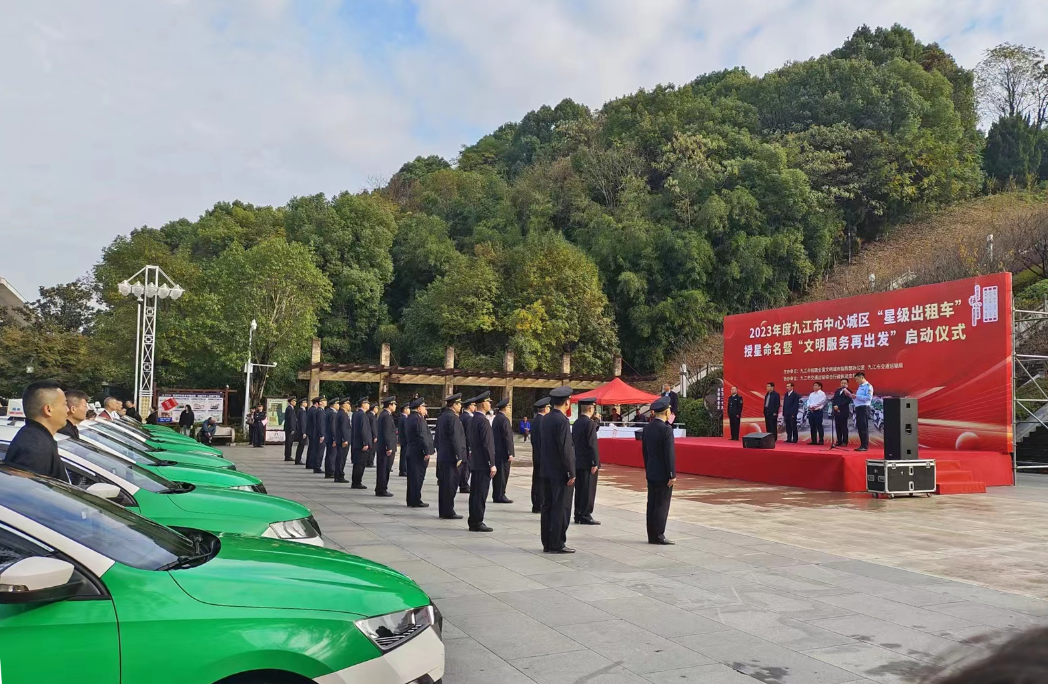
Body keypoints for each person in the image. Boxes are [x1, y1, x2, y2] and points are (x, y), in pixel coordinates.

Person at [4, 380, 69, 481]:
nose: (67, 410)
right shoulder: (35, 449)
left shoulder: (37, 437)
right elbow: (30, 493)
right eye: (64, 404)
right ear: (48, 409)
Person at [540, 386, 576, 554]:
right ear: (567, 402)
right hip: (560, 472)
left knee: (547, 506)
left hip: (546, 469)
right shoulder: (562, 421)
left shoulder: (545, 419)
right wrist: (570, 472)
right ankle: (557, 543)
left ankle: (547, 542)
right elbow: (565, 449)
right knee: (561, 507)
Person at [642, 396, 676, 545]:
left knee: (652, 504)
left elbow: (645, 452)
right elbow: (669, 453)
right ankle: (659, 535)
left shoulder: (647, 428)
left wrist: (648, 468)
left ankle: (652, 534)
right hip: (663, 473)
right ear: (666, 411)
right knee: (662, 504)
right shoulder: (666, 429)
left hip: (651, 471)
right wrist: (671, 474)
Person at [467, 391, 497, 531]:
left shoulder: (474, 419)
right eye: (488, 402)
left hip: (476, 461)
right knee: (480, 494)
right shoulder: (483, 421)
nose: (490, 404)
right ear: (482, 404)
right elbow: (487, 445)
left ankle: (473, 520)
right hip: (483, 463)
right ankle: (477, 521)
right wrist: (492, 464)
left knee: (475, 493)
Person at [435, 393, 466, 519]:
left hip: (443, 455)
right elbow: (455, 438)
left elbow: (437, 438)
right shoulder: (453, 418)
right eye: (459, 404)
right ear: (454, 405)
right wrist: (458, 455)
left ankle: (443, 510)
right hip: (451, 457)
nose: (461, 406)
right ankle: (448, 511)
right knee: (450, 485)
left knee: (444, 485)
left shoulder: (442, 417)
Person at [572, 397, 601, 525]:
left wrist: (596, 421)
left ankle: (578, 513)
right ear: (591, 408)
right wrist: (595, 462)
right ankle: (586, 514)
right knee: (588, 489)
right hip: (588, 462)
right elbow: (592, 444)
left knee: (580, 489)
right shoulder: (589, 423)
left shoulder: (578, 422)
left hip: (578, 460)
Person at [403, 398, 434, 507]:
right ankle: (416, 500)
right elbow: (422, 437)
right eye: (424, 407)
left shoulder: (409, 418)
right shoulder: (419, 420)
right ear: (419, 408)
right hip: (418, 452)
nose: (425, 409)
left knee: (412, 477)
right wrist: (426, 451)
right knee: (418, 477)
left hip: (411, 450)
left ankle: (411, 499)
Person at [492, 398, 514, 504]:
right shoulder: (504, 420)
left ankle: (497, 494)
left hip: (497, 450)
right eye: (509, 407)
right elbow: (507, 437)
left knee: (499, 475)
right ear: (505, 408)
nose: (510, 409)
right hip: (503, 452)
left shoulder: (497, 418)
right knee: (503, 474)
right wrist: (510, 452)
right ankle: (500, 494)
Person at [530, 397, 550, 513]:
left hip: (537, 455)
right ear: (545, 408)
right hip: (542, 457)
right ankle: (539, 504)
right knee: (541, 482)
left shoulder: (536, 420)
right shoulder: (543, 421)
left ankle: (536, 503)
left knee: (536, 480)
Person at [375, 397, 397, 497]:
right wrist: (389, 447)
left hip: (382, 446)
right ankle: (382, 489)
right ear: (390, 405)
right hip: (385, 447)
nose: (395, 406)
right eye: (394, 404)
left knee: (383, 469)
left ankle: (380, 488)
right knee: (384, 469)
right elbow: (387, 433)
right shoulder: (386, 416)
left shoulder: (384, 415)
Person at [846, 372, 874, 452]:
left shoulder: (868, 386)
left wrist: (856, 396)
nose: (856, 381)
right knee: (860, 427)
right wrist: (852, 396)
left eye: (857, 379)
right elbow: (858, 398)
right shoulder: (860, 387)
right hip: (858, 408)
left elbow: (868, 398)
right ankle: (862, 444)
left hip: (864, 408)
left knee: (863, 427)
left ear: (861, 377)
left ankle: (865, 445)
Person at [350, 397, 373, 489]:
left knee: (357, 463)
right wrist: (365, 442)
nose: (369, 405)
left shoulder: (356, 414)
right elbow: (363, 430)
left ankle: (355, 481)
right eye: (367, 403)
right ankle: (357, 482)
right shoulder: (362, 415)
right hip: (361, 444)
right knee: (360, 464)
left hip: (357, 443)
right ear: (363, 404)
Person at [458, 396, 476, 494]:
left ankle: (462, 483)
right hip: (466, 445)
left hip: (462, 445)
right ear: (469, 406)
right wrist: (470, 448)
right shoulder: (468, 418)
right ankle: (464, 485)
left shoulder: (461, 416)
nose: (475, 407)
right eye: (473, 405)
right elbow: (469, 434)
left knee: (463, 465)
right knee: (466, 467)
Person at [332, 399, 351, 484]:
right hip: (342, 440)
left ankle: (337, 475)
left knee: (340, 458)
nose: (349, 405)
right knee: (341, 458)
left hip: (339, 439)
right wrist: (345, 439)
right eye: (348, 404)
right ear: (344, 405)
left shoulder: (340, 413)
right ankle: (339, 475)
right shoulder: (343, 414)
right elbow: (343, 428)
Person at [309, 396, 329, 474]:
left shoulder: (320, 410)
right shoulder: (320, 411)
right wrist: (322, 434)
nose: (326, 402)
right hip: (319, 434)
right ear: (320, 402)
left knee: (318, 450)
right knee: (319, 451)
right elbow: (320, 424)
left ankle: (316, 466)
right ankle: (317, 467)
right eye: (324, 401)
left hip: (318, 434)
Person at [832, 379, 851, 446]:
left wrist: (839, 407)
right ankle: (839, 441)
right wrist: (834, 407)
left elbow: (847, 401)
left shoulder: (849, 392)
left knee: (844, 427)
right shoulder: (837, 391)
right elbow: (834, 400)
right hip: (836, 411)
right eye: (842, 383)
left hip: (843, 411)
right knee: (838, 427)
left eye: (844, 383)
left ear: (847, 384)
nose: (843, 384)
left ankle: (844, 442)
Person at [323, 397, 338, 477]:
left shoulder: (328, 411)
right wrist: (335, 438)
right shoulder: (333, 413)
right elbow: (333, 427)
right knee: (332, 455)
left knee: (329, 454)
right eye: (337, 403)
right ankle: (331, 471)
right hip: (331, 437)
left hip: (328, 436)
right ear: (334, 405)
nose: (338, 405)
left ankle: (329, 471)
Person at [294, 397, 309, 465]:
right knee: (301, 446)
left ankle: (298, 459)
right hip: (302, 432)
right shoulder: (302, 411)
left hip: (300, 431)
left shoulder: (301, 410)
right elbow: (302, 422)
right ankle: (298, 459)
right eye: (305, 402)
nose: (306, 403)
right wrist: (304, 432)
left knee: (301, 445)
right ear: (302, 404)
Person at [283, 397, 298, 462]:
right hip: (289, 428)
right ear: (291, 402)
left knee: (289, 442)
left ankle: (288, 455)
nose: (295, 402)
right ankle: (287, 456)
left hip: (289, 428)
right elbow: (291, 420)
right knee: (289, 442)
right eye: (294, 401)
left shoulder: (291, 408)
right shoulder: (290, 409)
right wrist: (292, 428)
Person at [398, 404, 410, 476]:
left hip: (403, 439)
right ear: (405, 409)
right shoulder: (404, 418)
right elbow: (406, 430)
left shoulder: (402, 417)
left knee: (403, 454)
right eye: (408, 409)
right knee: (404, 455)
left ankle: (403, 469)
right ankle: (403, 470)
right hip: (405, 440)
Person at [367, 403, 379, 467]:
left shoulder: (368, 415)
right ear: (374, 408)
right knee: (372, 449)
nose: (377, 409)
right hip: (372, 435)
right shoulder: (372, 416)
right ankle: (370, 462)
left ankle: (368, 461)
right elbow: (373, 427)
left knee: (369, 449)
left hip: (368, 434)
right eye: (376, 408)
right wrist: (375, 436)